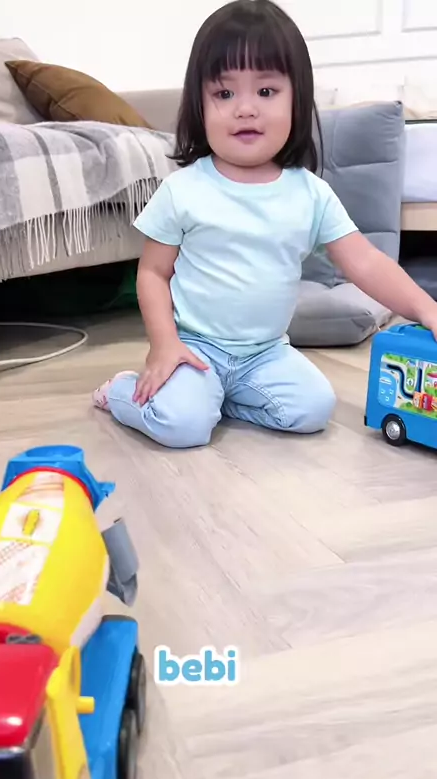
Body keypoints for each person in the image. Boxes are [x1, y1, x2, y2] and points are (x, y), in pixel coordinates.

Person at [93, 0, 437, 449]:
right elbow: (153, 273)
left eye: (267, 91)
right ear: (199, 105)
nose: (245, 109)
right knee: (182, 427)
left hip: (267, 352)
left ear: (298, 100)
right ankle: (122, 391)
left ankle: (218, 400)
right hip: (196, 348)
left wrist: (426, 309)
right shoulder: (183, 189)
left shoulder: (310, 194)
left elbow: (366, 263)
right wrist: (164, 344)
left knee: (313, 409)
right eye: (224, 94)